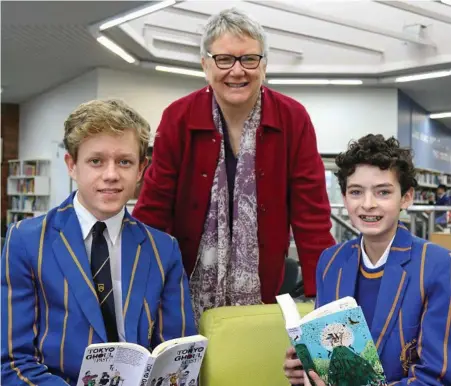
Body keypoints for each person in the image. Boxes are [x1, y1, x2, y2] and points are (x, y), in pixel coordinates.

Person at [132, 8, 335, 321]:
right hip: (182, 288)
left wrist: (325, 295)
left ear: (264, 66)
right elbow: (154, 211)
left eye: (249, 59)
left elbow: (312, 218)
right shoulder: (178, 118)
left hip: (264, 291)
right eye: (224, 59)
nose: (237, 71)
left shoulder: (293, 119)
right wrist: (138, 286)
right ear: (205, 65)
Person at [1, 99, 196, 385]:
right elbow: (11, 362)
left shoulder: (163, 249)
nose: (111, 175)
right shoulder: (27, 241)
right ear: (72, 165)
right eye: (96, 161)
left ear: (141, 169)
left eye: (124, 162)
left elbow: (176, 354)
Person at [283, 134, 451, 385]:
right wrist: (307, 369)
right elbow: (329, 351)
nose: (368, 204)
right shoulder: (331, 262)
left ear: (406, 197)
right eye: (356, 192)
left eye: (383, 192)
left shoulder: (436, 264)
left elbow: (435, 376)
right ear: (344, 196)